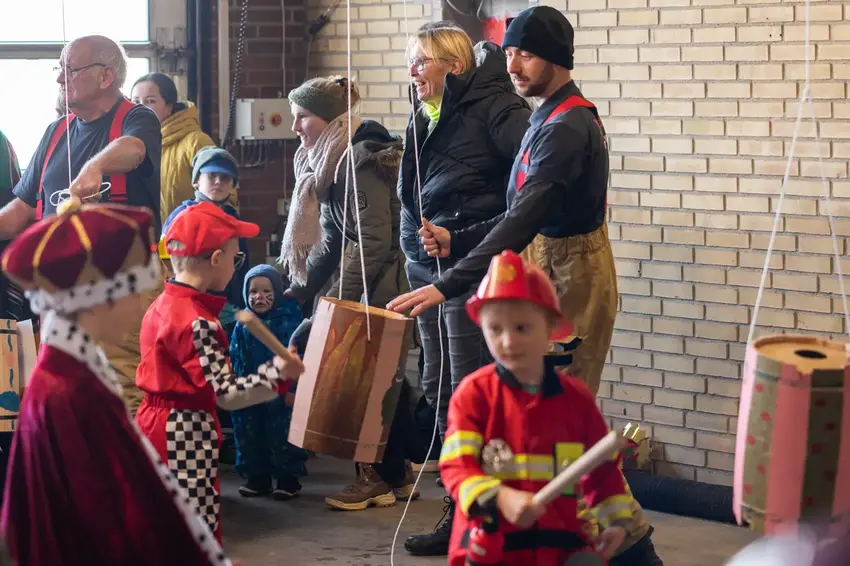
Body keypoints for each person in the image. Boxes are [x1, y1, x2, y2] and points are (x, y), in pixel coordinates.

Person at [388, 7, 660, 560]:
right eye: (509, 52)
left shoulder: (568, 126)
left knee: (564, 424)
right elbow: (516, 212)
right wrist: (458, 238)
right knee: (526, 419)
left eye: (526, 54)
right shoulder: (545, 116)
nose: (512, 65)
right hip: (542, 261)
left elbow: (525, 217)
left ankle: (628, 548)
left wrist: (450, 283)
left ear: (557, 59)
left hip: (572, 272)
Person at [0, 198, 230, 566]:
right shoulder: (68, 390)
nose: (141, 307)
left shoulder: (75, 370)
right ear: (98, 300)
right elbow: (103, 515)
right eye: (134, 293)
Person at [393, 21, 532, 556]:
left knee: (469, 392)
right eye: (410, 61)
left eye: (421, 61)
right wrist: (415, 248)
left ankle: (474, 515)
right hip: (427, 269)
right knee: (437, 386)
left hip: (471, 271)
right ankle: (461, 502)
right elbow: (413, 195)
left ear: (453, 66)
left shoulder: (498, 110)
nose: (412, 71)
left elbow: (526, 202)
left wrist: (460, 237)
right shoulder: (424, 114)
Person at [441, 250, 663, 566]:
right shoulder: (474, 395)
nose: (508, 341)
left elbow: (601, 472)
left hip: (558, 547)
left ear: (550, 328)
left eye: (522, 328)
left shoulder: (575, 400)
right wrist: (501, 498)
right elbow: (457, 466)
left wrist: (616, 523)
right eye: (495, 329)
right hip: (490, 549)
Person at [0, 35, 162, 416]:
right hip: (60, 294)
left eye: (70, 69)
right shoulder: (56, 133)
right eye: (59, 69)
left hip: (119, 287)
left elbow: (134, 149)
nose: (61, 79)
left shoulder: (137, 119)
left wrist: (96, 167)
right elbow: (21, 211)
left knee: (120, 398)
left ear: (106, 76)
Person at [279, 75, 419, 511]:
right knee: (387, 381)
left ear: (330, 118)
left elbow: (374, 241)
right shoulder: (329, 160)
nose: (295, 127)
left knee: (367, 382)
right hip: (370, 278)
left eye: (303, 117)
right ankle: (397, 473)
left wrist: (337, 301)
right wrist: (300, 287)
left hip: (384, 282)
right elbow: (332, 234)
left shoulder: (357, 160)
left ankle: (374, 478)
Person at [135, 202, 305, 541]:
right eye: (235, 258)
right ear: (216, 259)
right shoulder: (198, 322)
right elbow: (225, 394)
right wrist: (278, 373)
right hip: (183, 428)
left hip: (153, 421)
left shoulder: (160, 305)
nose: (234, 267)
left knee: (162, 517)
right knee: (196, 522)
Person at [230, 264, 308, 499]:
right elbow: (236, 356)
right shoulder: (242, 324)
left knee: (283, 435)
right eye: (253, 291)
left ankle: (288, 480)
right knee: (250, 434)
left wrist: (294, 390)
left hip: (281, 394)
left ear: (277, 292)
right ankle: (258, 478)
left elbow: (298, 358)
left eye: (266, 291)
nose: (259, 297)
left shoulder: (289, 321)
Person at [162, 146, 250, 334]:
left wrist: (242, 300)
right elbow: (166, 262)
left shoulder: (232, 218)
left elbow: (242, 263)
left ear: (233, 185)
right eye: (211, 175)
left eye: (225, 177)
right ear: (196, 181)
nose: (218, 181)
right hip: (191, 303)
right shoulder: (181, 217)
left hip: (229, 305)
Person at [131, 73, 228, 223]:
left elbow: (224, 195)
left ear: (169, 106)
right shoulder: (130, 145)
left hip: (189, 234)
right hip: (145, 235)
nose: (141, 108)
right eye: (136, 102)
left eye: (150, 101)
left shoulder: (196, 142)